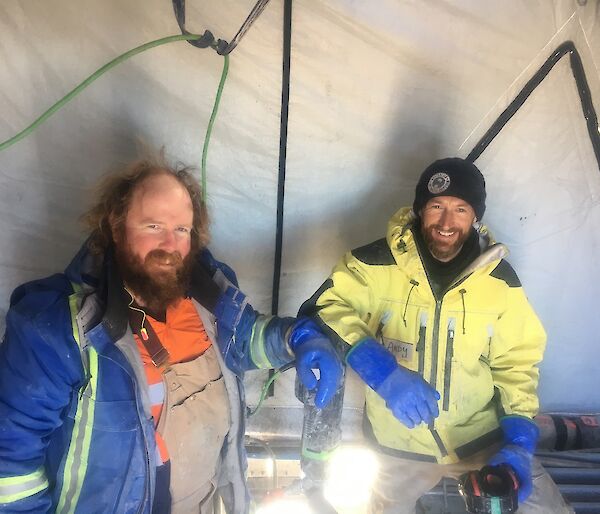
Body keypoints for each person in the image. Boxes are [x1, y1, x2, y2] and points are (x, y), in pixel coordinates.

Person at [0, 156, 342, 514]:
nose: (170, 245)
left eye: (182, 230)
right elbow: (9, 458)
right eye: (153, 226)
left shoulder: (209, 295)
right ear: (116, 229)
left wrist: (295, 339)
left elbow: (244, 341)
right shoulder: (59, 329)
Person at [300, 157, 572, 513]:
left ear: (476, 217)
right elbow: (322, 310)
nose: (446, 222)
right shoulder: (373, 263)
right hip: (398, 445)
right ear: (418, 211)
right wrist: (382, 371)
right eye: (436, 207)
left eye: (460, 209)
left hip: (481, 442)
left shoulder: (499, 280)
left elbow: (517, 362)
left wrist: (519, 442)